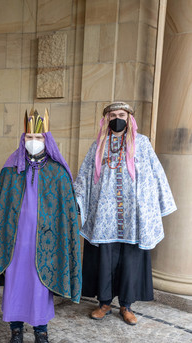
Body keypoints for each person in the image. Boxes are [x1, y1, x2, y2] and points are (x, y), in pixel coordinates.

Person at [0, 110, 81, 343]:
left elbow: (67, 212)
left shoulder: (58, 173)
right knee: (16, 284)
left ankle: (41, 335)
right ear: (22, 138)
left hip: (45, 242)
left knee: (39, 287)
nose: (32, 140)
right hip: (16, 243)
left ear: (46, 138)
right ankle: (16, 333)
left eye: (38, 135)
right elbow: (0, 211)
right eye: (28, 136)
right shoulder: (10, 169)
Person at [74, 102, 176, 326]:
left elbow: (155, 173)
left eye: (121, 114)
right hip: (105, 216)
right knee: (106, 258)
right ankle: (104, 303)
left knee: (130, 258)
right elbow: (84, 176)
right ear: (106, 119)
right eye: (112, 115)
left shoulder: (142, 143)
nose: (116, 118)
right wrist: (77, 200)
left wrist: (159, 204)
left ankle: (126, 305)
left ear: (129, 118)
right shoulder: (98, 145)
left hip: (133, 216)